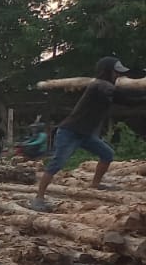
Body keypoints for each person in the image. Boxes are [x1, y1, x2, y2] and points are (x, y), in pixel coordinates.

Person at [31, 56, 132, 210]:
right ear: (106, 72)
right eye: (116, 72)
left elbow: (127, 101)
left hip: (85, 134)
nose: (118, 75)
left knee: (107, 154)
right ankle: (39, 198)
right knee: (57, 163)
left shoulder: (105, 88)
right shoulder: (99, 86)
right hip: (70, 132)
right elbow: (120, 96)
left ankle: (96, 184)